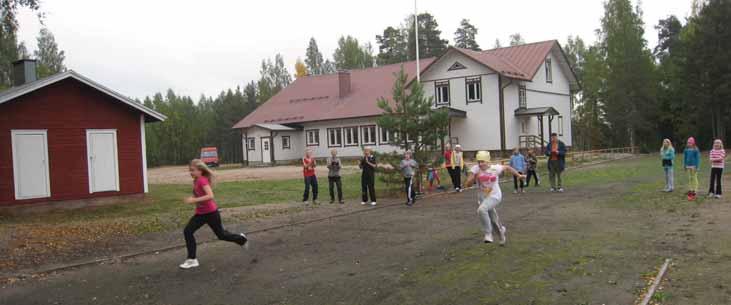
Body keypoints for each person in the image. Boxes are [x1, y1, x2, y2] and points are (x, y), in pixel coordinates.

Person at [180, 159, 248, 269]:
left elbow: (210, 195)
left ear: (200, 171)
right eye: (189, 170)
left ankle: (241, 239)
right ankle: (192, 259)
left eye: (192, 170)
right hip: (201, 214)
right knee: (188, 231)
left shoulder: (202, 180)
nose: (190, 172)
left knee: (221, 235)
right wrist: (194, 199)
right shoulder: (196, 181)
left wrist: (193, 200)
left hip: (211, 213)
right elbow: (200, 196)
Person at [465, 151, 526, 244]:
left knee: (481, 210)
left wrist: (519, 175)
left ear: (488, 161)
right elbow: (468, 184)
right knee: (493, 219)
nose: (480, 164)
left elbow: (508, 167)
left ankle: (488, 234)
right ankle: (501, 234)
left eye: (483, 161)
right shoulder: (475, 169)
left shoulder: (495, 168)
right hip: (483, 198)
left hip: (495, 196)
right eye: (479, 162)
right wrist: (474, 177)